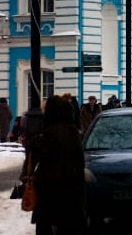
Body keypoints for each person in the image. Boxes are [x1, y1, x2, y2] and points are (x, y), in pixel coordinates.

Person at [26, 94, 86, 234]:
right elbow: (80, 162)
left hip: (48, 191)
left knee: (46, 226)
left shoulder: (45, 136)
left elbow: (34, 158)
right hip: (72, 192)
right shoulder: (74, 135)